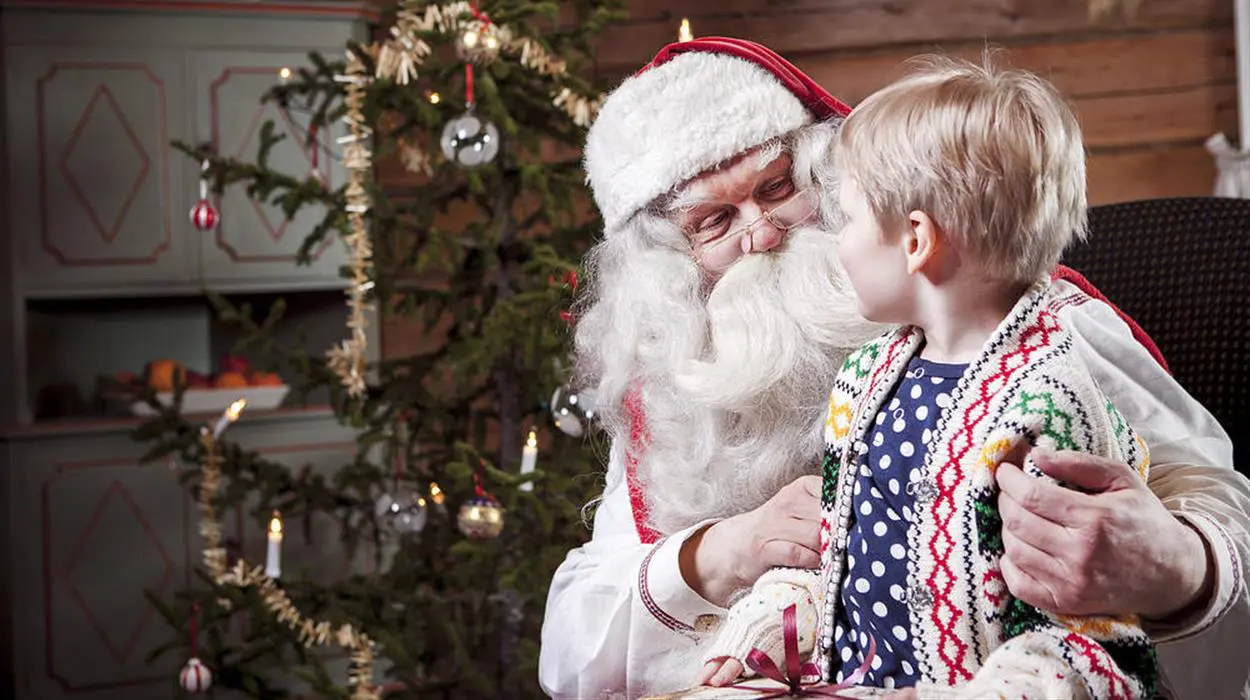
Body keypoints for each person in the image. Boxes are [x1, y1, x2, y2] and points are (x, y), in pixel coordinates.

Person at [538, 37, 1248, 699]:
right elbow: (568, 657)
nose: (760, 233)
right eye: (714, 224)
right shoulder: (676, 394)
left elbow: (1215, 497)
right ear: (667, 265)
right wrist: (721, 554)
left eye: (778, 187)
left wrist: (1176, 566)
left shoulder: (1042, 330)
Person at [699, 55, 1158, 698]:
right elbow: (843, 559)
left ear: (916, 240)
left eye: (852, 218)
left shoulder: (1049, 405)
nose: (837, 242)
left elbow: (1089, 639)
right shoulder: (864, 379)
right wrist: (774, 623)